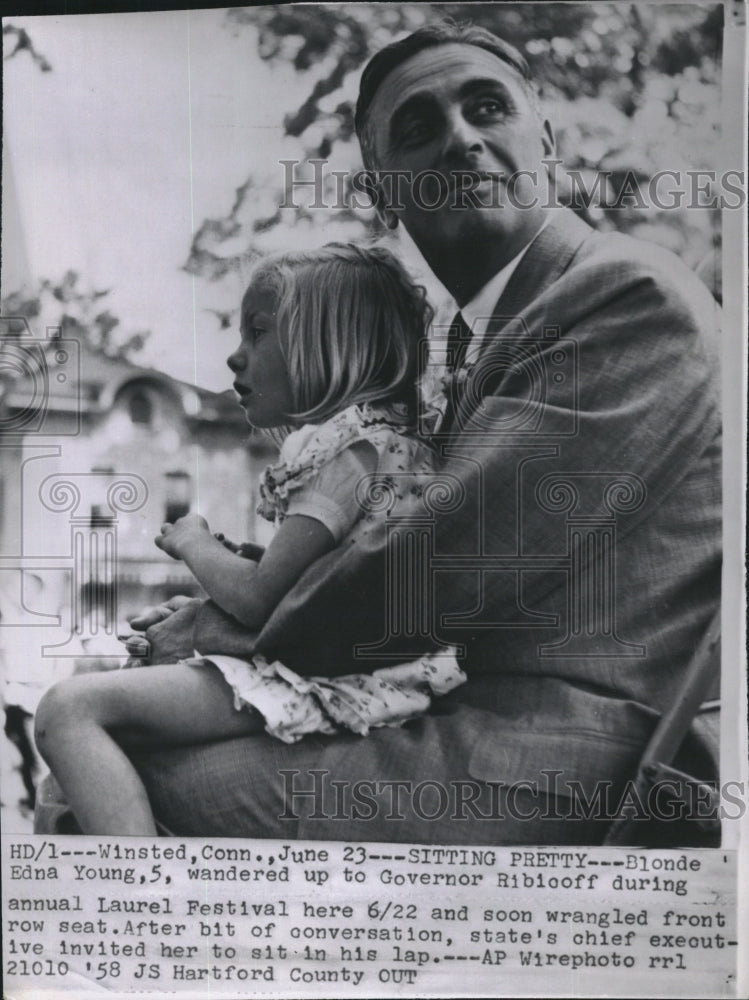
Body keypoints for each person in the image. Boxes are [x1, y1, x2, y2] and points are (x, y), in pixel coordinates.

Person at [35, 21, 721, 843]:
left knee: (101, 779)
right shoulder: (486, 335)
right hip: (491, 730)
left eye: (486, 108)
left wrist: (232, 624)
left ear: (543, 138)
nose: (461, 140)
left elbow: (441, 563)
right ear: (386, 190)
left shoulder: (621, 291)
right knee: (97, 753)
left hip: (566, 758)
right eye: (419, 128)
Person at [33, 243, 466, 836]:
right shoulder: (393, 450)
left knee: (68, 711)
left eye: (258, 334)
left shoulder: (352, 457)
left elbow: (261, 598)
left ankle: (136, 903)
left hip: (322, 683)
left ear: (332, 348)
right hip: (364, 677)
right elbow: (316, 587)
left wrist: (195, 543)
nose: (235, 358)